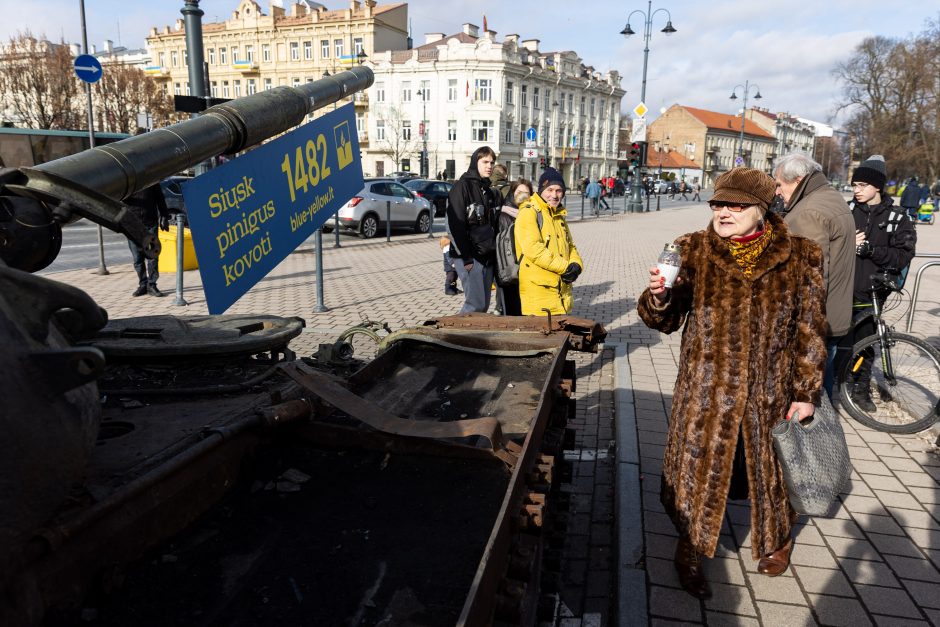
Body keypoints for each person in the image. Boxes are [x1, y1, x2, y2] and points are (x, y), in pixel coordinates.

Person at [637, 167, 828, 599]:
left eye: (736, 205)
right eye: (719, 203)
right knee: (700, 473)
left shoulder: (801, 255)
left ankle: (777, 539)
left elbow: (811, 330)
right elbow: (662, 321)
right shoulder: (693, 249)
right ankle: (690, 548)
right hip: (707, 393)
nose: (724, 212)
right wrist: (660, 297)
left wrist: (806, 393)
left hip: (769, 392)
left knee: (771, 471)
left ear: (762, 209)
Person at [774, 153, 857, 398]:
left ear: (797, 179)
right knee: (823, 385)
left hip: (815, 322)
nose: (777, 191)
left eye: (780, 184)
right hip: (835, 313)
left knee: (808, 395)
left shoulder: (808, 212)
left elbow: (810, 278)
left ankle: (810, 435)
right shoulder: (831, 198)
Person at [847, 155, 917, 411]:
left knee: (865, 342)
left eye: (862, 185)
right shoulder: (847, 211)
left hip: (873, 291)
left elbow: (904, 254)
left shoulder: (898, 218)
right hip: (842, 287)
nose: (857, 190)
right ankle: (835, 382)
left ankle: (861, 389)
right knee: (838, 340)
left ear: (877, 186)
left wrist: (870, 249)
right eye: (855, 185)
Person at [515, 167, 583, 316]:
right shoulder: (529, 212)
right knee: (542, 337)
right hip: (539, 294)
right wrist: (566, 268)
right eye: (550, 190)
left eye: (559, 190)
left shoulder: (558, 214)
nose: (554, 195)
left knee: (560, 336)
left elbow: (570, 245)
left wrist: (577, 265)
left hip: (561, 292)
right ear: (541, 190)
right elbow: (534, 250)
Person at [445, 146, 501, 313]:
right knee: (474, 305)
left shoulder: (487, 190)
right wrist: (466, 258)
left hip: (486, 256)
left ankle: (473, 337)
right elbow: (454, 226)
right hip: (469, 258)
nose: (489, 166)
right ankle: (457, 337)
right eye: (485, 162)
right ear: (475, 162)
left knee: (482, 305)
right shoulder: (462, 187)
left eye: (492, 162)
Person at [125, 183, 172, 297]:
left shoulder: (151, 180)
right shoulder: (128, 181)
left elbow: (160, 198)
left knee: (152, 256)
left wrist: (164, 216)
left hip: (150, 223)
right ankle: (142, 284)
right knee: (137, 258)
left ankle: (152, 284)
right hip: (132, 225)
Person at [495, 178, 533, 316]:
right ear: (512, 193)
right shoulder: (505, 214)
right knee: (513, 309)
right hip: (512, 269)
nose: (522, 195)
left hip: (528, 267)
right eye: (519, 192)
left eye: (526, 192)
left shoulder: (531, 212)